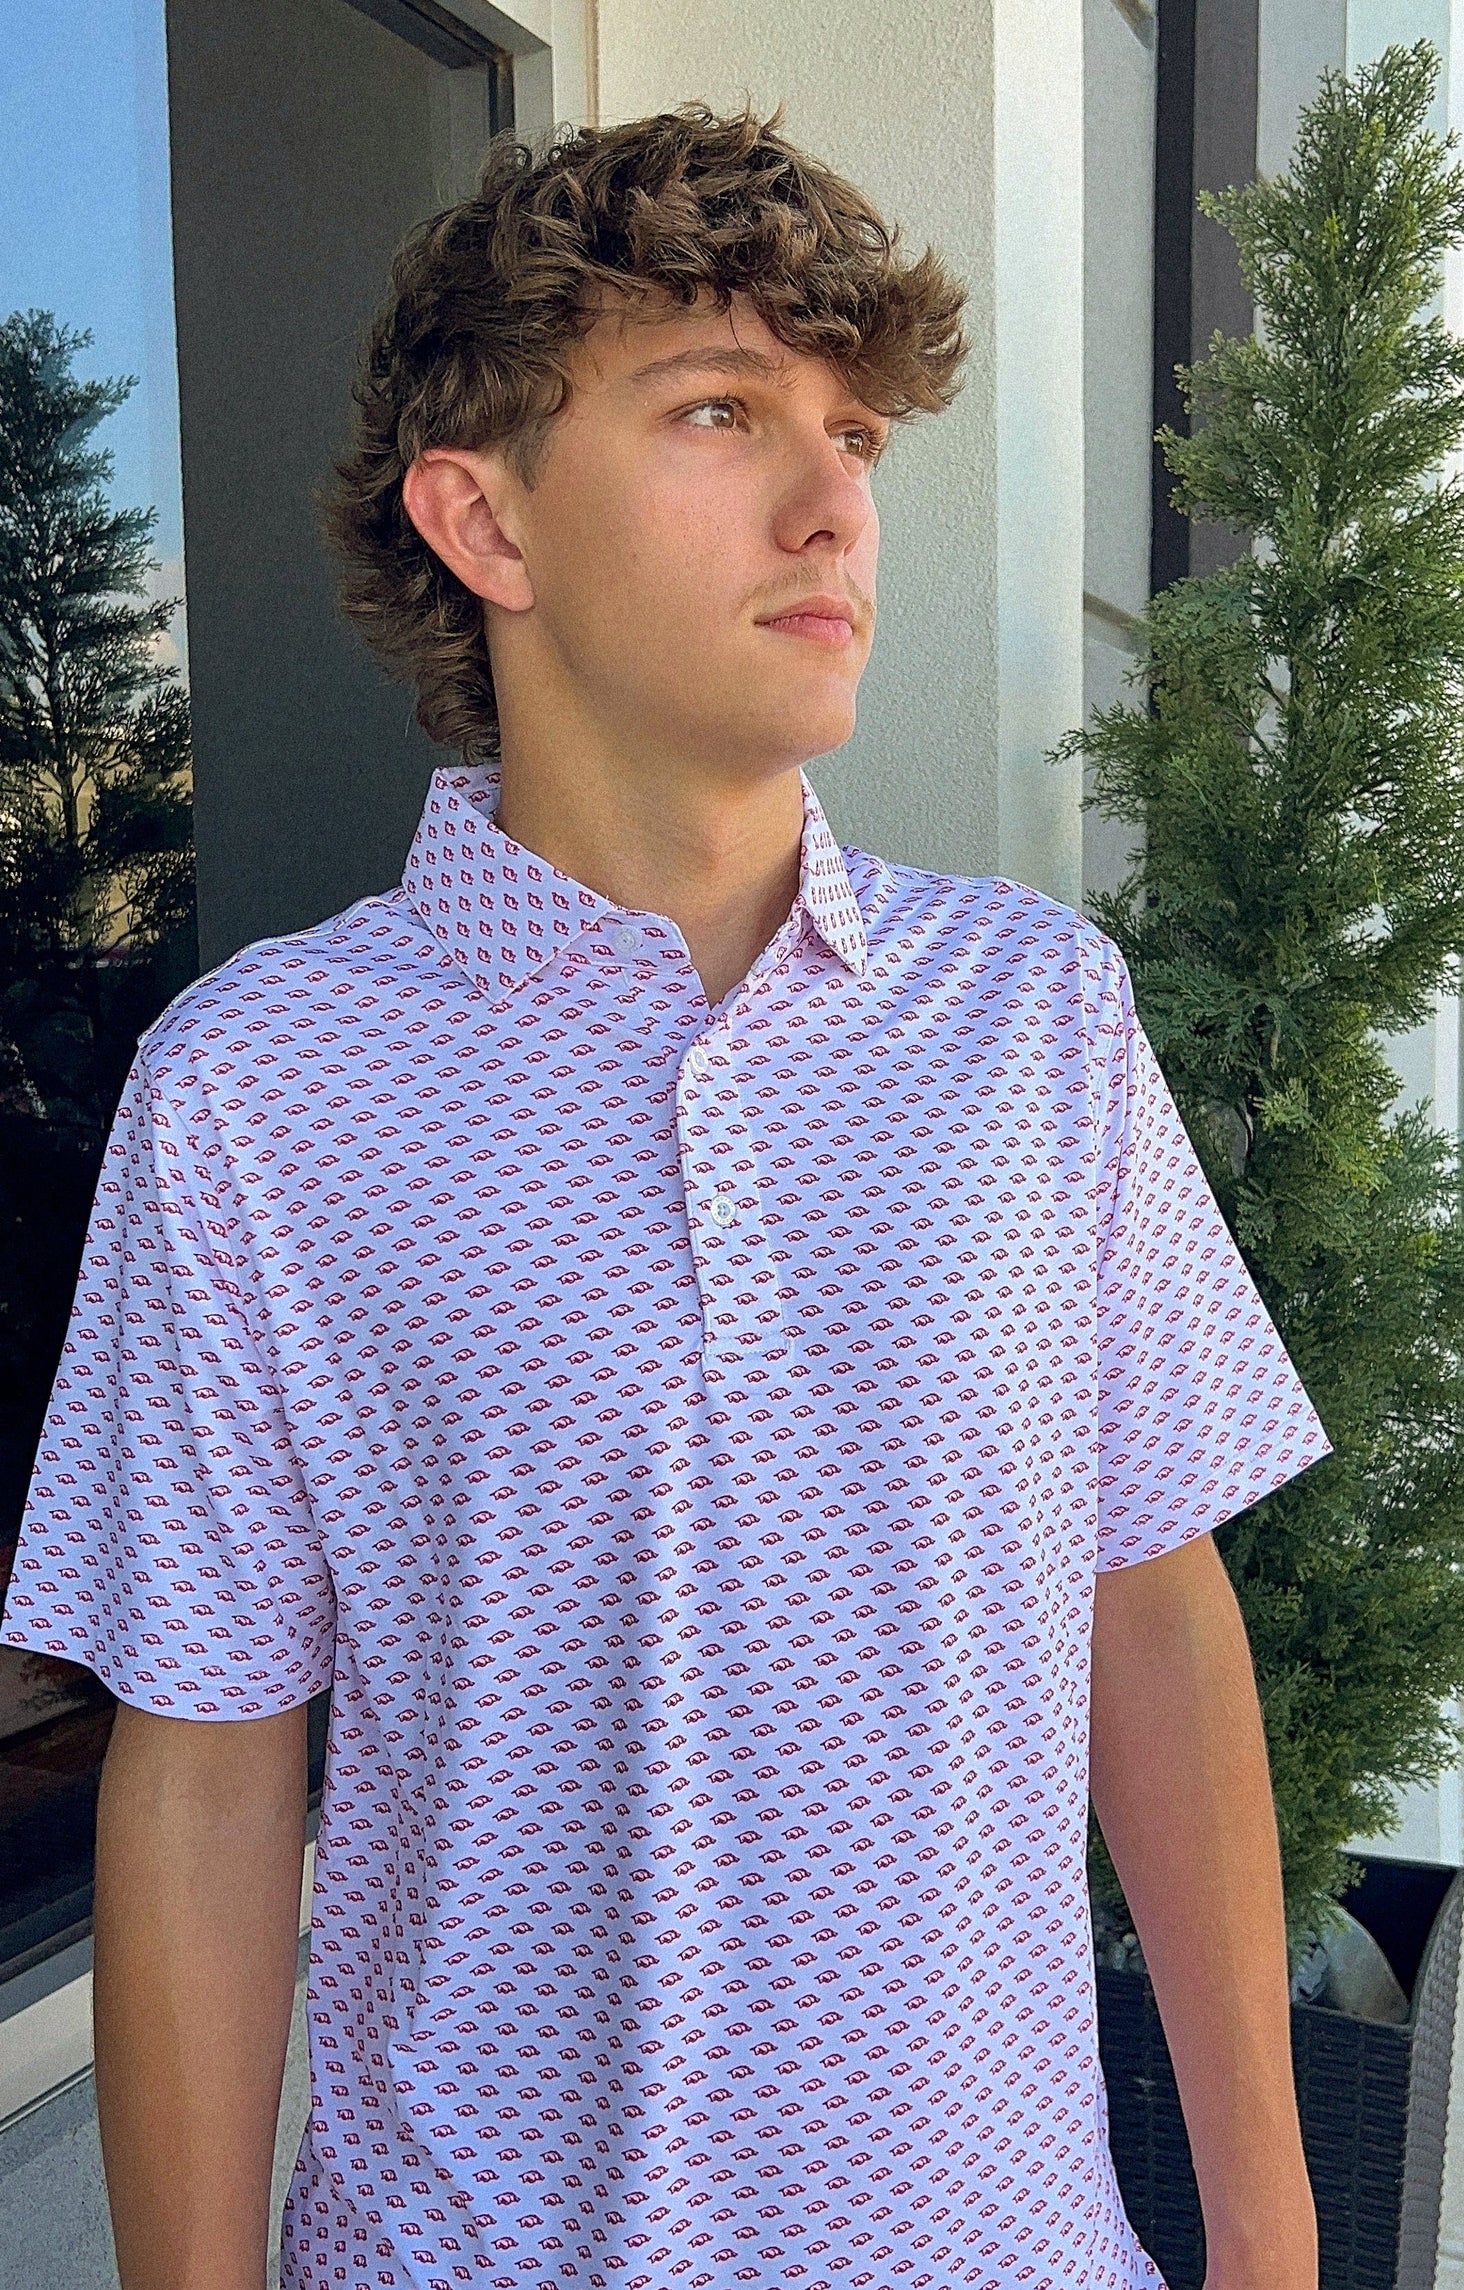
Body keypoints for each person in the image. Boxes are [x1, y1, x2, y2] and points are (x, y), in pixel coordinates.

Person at [1, 105, 1332, 2290]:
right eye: (722, 412)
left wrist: (1272, 2242)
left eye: (858, 431)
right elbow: (209, 1773)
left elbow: (1152, 1617)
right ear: (483, 516)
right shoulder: (260, 1090)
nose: (834, 503)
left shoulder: (1033, 1017)